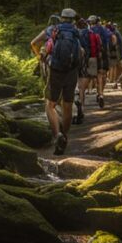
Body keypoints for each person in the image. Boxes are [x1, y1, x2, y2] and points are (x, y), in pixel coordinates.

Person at [43, 9, 83, 155]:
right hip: (71, 71)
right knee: (67, 105)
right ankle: (65, 137)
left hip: (55, 70)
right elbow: (82, 51)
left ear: (61, 18)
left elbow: (47, 45)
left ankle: (57, 135)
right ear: (73, 20)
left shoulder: (53, 29)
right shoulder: (77, 32)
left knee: (50, 104)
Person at [75, 18, 101, 125]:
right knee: (82, 87)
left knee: (77, 86)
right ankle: (82, 105)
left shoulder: (75, 33)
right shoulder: (92, 33)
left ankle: (77, 104)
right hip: (90, 60)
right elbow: (99, 46)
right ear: (86, 25)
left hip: (76, 61)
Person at [89, 15, 113, 108]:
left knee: (98, 75)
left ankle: (100, 94)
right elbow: (113, 37)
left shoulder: (90, 30)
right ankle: (101, 93)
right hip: (105, 53)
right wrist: (110, 48)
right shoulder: (104, 29)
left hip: (95, 54)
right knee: (104, 75)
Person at [30, 14, 61, 83]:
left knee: (42, 61)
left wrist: (37, 55)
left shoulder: (46, 30)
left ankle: (37, 74)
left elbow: (33, 42)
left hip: (49, 52)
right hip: (61, 53)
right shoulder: (62, 30)